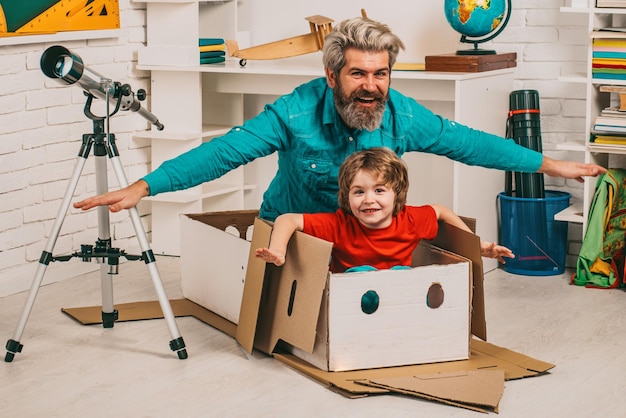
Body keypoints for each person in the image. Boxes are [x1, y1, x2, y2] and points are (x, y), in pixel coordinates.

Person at [73, 16, 605, 220]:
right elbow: (224, 152)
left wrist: (549, 165)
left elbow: (469, 143)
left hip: (366, 232)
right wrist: (146, 186)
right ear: (332, 77)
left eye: (380, 74)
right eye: (357, 75)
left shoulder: (403, 114)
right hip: (296, 231)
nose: (370, 86)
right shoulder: (293, 112)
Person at [256, 148, 514, 273]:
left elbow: (440, 211)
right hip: (351, 302)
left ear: (397, 194)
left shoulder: (409, 219)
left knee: (405, 276)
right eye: (359, 192)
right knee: (362, 274)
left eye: (379, 191)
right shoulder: (340, 224)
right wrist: (279, 251)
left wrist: (477, 245)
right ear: (347, 196)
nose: (369, 200)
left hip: (398, 298)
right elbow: (287, 219)